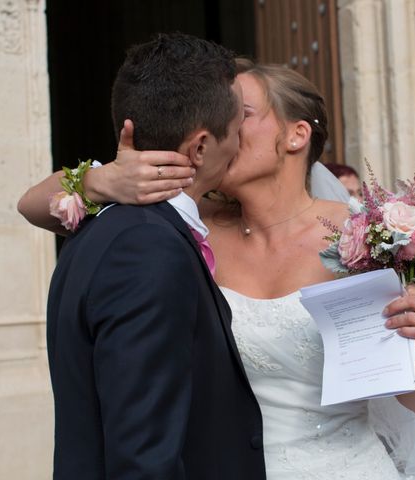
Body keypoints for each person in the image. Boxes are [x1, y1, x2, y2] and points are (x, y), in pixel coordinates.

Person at [19, 58, 415, 479]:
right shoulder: (184, 227)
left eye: (240, 113)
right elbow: (31, 205)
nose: (226, 124)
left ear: (296, 135)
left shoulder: (360, 236)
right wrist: (102, 180)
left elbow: (411, 402)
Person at [38, 34, 266, 479]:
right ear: (200, 147)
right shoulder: (147, 249)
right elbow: (143, 457)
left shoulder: (103, 226)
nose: (240, 143)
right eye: (237, 129)